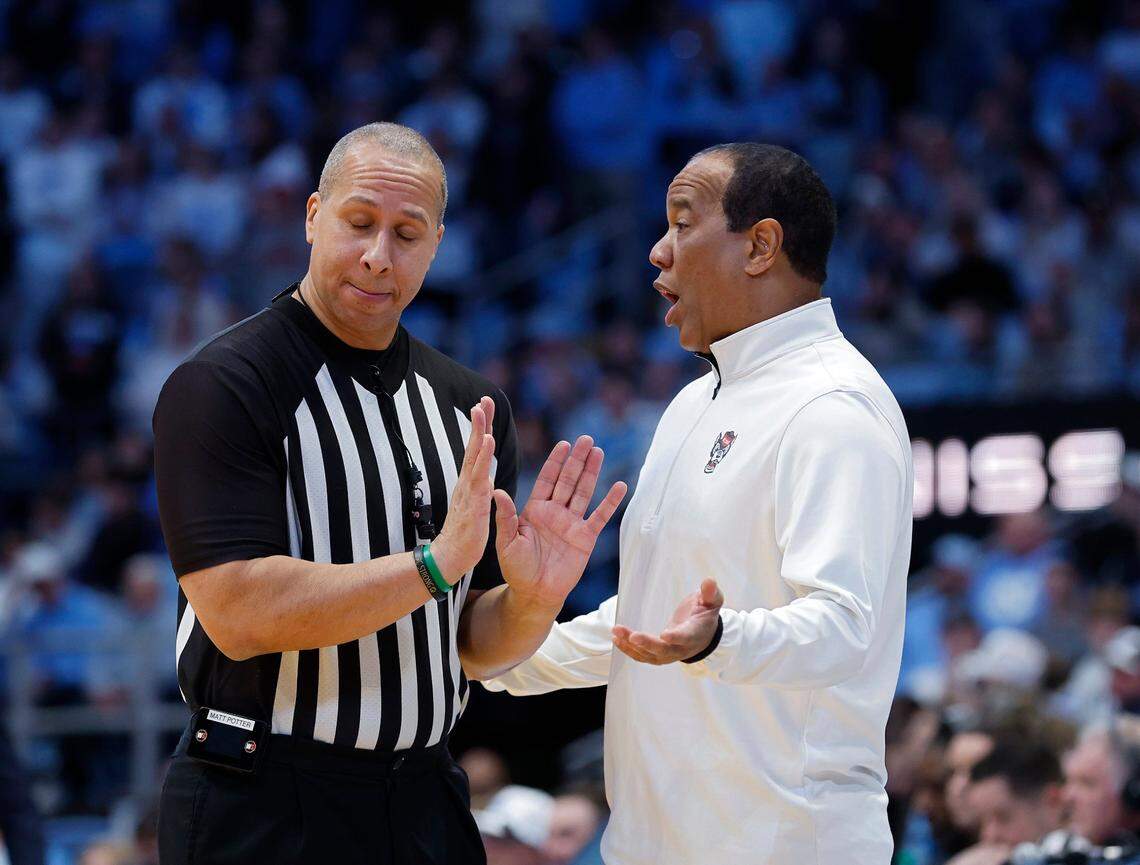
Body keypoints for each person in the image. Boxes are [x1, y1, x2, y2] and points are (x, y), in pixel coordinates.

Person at [152, 122, 626, 864]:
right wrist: (432, 567)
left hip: (424, 794)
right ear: (313, 216)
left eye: (407, 233)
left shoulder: (471, 406)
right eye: (359, 223)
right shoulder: (224, 385)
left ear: (437, 243)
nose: (379, 256)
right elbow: (238, 611)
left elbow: (471, 645)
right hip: (261, 798)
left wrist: (534, 598)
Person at [484, 143, 913, 864]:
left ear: (761, 246)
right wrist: (498, 651)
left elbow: (844, 627)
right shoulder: (691, 403)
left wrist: (720, 639)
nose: (657, 252)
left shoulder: (834, 406)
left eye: (683, 223)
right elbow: (651, 629)